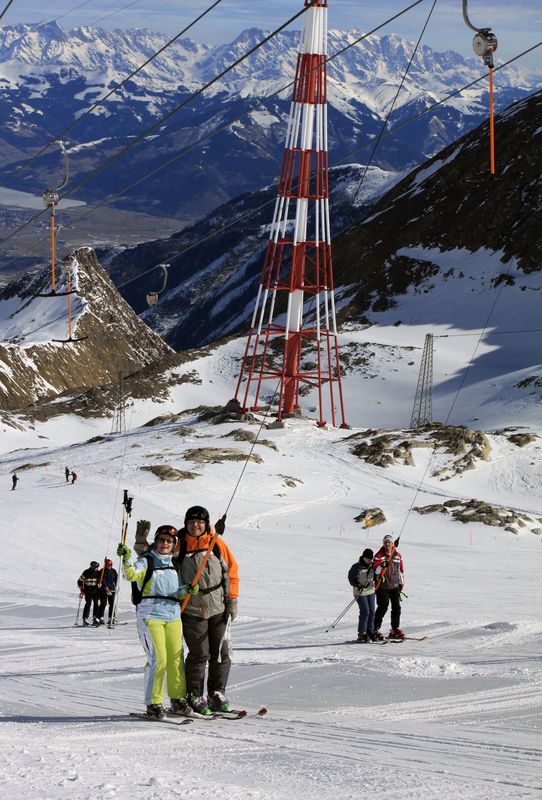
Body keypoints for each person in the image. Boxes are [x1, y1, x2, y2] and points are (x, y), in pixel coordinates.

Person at [117, 525, 199, 719]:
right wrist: (127, 558)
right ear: (156, 541)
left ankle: (178, 699)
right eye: (161, 540)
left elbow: (176, 590)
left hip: (172, 615)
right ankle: (153, 703)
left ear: (173, 544)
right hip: (150, 615)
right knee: (158, 658)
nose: (165, 544)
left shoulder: (174, 564)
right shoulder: (146, 561)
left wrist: (186, 591)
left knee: (176, 659)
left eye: (169, 541)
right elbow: (131, 575)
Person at [177, 505, 239, 715]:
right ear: (186, 524)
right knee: (199, 654)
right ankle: (194, 694)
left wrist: (232, 600)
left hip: (218, 607)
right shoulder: (180, 545)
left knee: (221, 653)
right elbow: (157, 556)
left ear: (206, 524)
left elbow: (231, 571)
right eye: (191, 522)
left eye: (200, 522)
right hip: (192, 609)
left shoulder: (216, 544)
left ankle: (216, 693)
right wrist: (140, 542)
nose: (196, 525)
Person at [373, 534, 405, 640]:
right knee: (383, 607)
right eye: (385, 542)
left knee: (396, 607)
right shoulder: (378, 555)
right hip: (382, 586)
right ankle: (375, 629)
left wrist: (401, 583)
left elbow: (400, 571)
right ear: (383, 544)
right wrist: (382, 564)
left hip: (395, 586)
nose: (387, 544)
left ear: (392, 544)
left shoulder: (398, 555)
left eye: (389, 542)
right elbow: (375, 570)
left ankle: (395, 629)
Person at [348, 548, 376, 642]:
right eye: (368, 559)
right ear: (363, 557)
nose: (369, 561)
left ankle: (370, 631)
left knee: (372, 611)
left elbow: (376, 575)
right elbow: (351, 578)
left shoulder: (372, 566)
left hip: (371, 590)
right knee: (365, 611)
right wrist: (358, 585)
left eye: (371, 559)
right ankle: (362, 633)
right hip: (360, 592)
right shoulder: (356, 567)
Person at [77, 561, 102, 626]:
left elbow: (100, 580)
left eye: (97, 567)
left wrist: (100, 584)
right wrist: (82, 590)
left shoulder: (98, 573)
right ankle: (85, 619)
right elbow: (79, 581)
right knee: (88, 603)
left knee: (96, 604)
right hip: (88, 590)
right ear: (92, 566)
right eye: (95, 567)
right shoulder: (86, 572)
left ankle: (95, 618)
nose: (96, 568)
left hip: (96, 590)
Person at [98, 559, 118, 627]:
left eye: (109, 565)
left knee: (112, 604)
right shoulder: (102, 570)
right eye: (107, 565)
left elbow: (116, 579)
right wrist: (106, 588)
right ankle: (100, 617)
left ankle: (111, 617)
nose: (108, 567)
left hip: (112, 589)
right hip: (104, 590)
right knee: (103, 603)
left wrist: (117, 586)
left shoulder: (113, 571)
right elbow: (102, 580)